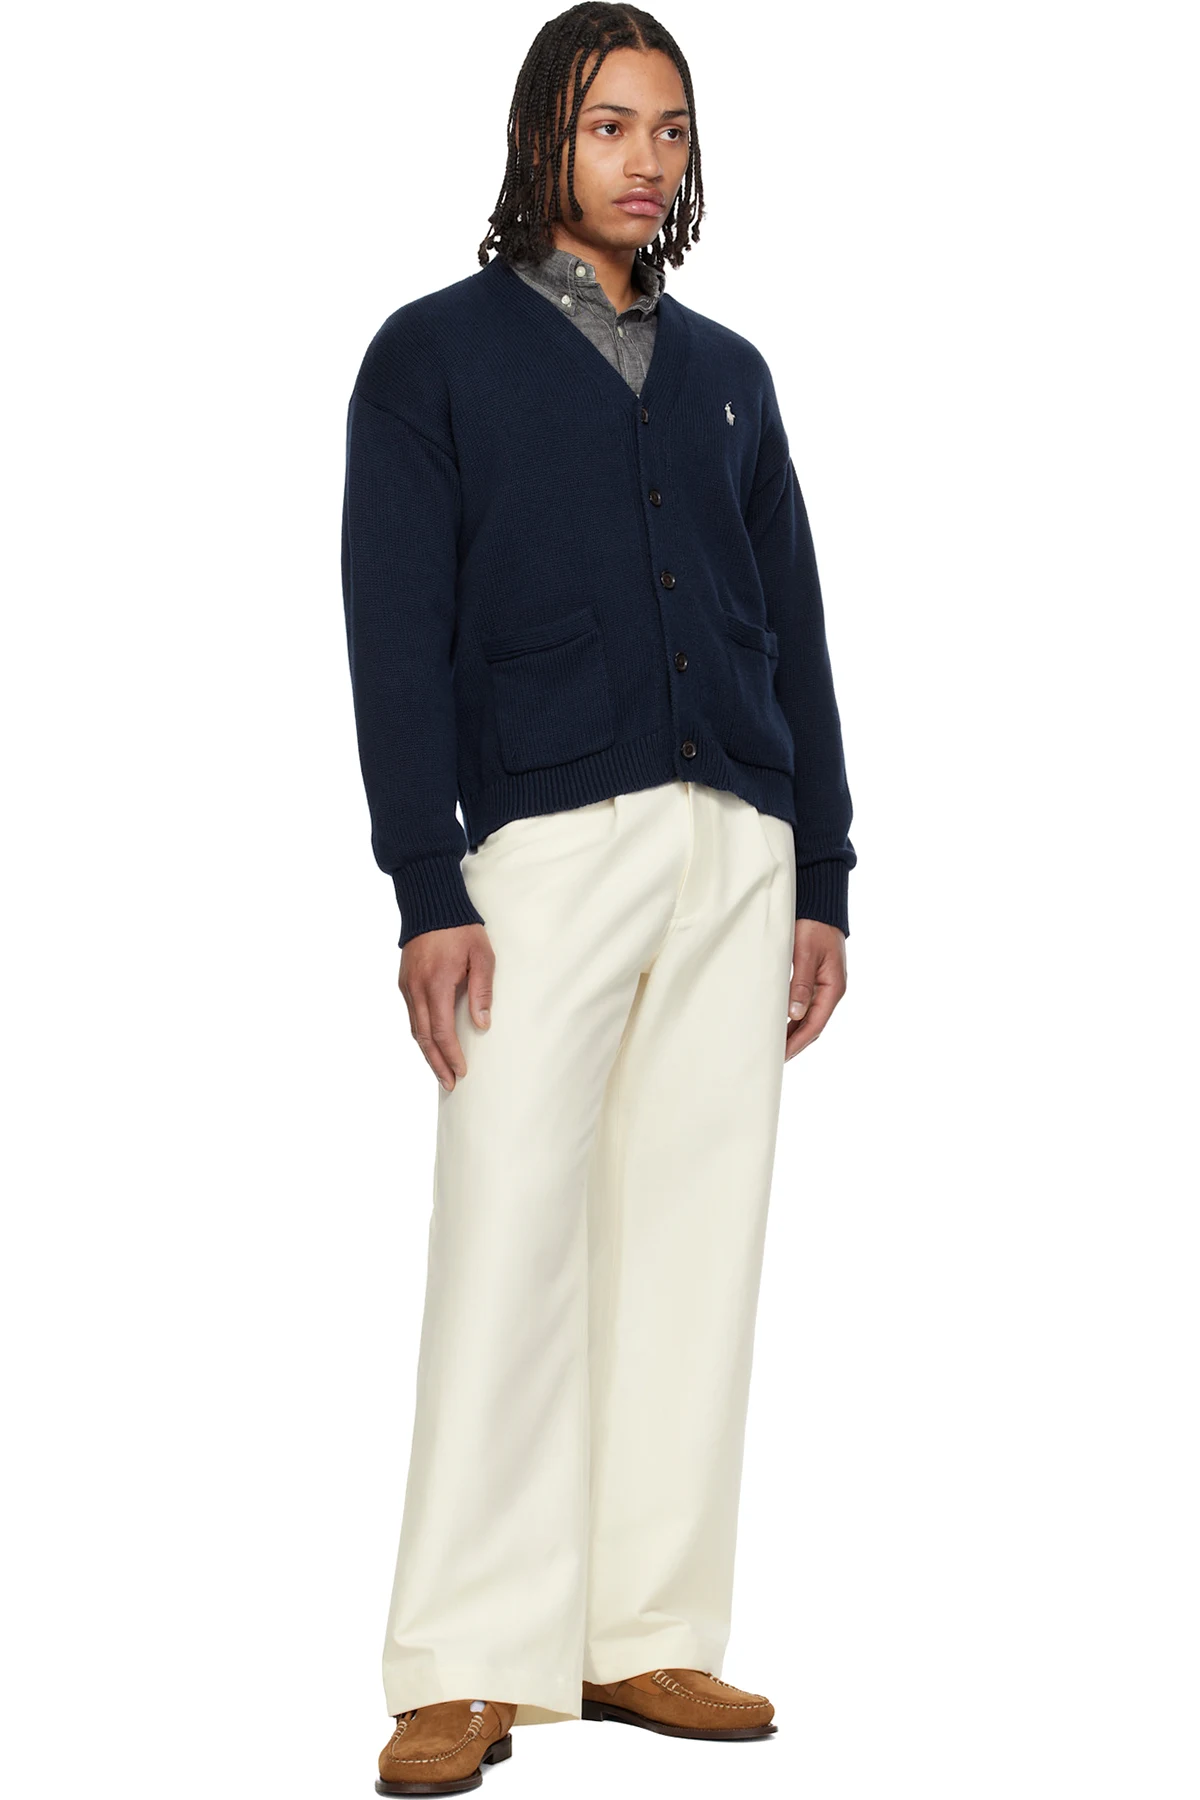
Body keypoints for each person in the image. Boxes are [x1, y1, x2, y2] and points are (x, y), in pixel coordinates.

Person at [340, 5, 856, 1791]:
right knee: (509, 1234)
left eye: (671, 127)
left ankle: (641, 1630)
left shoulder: (731, 374)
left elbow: (795, 629)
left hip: (737, 846)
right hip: (543, 854)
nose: (646, 158)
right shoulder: (435, 356)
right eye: (611, 124)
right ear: (541, 141)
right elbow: (393, 630)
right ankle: (465, 1658)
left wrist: (823, 870)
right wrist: (425, 882)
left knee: (694, 1240)